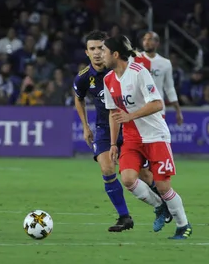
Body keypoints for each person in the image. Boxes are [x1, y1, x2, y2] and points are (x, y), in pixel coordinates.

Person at [74, 31, 169, 232]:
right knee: (107, 169)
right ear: (87, 52)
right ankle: (124, 217)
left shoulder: (123, 70)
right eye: (93, 49)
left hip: (129, 128)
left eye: (101, 48)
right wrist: (85, 126)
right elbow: (78, 97)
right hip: (104, 129)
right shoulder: (84, 77)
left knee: (143, 174)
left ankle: (165, 205)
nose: (98, 53)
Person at [102, 35, 191, 239]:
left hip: (155, 136)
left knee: (163, 186)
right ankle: (160, 206)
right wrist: (114, 143)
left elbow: (158, 104)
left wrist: (130, 115)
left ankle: (183, 225)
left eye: (104, 52)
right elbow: (113, 113)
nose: (101, 55)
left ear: (115, 54)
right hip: (132, 138)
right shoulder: (108, 79)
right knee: (128, 179)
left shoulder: (139, 72)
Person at [140, 31, 184, 126]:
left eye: (150, 39)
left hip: (158, 109)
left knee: (158, 140)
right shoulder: (134, 59)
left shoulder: (165, 63)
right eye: (144, 39)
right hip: (138, 109)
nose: (146, 42)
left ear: (157, 43)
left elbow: (170, 88)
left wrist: (178, 111)